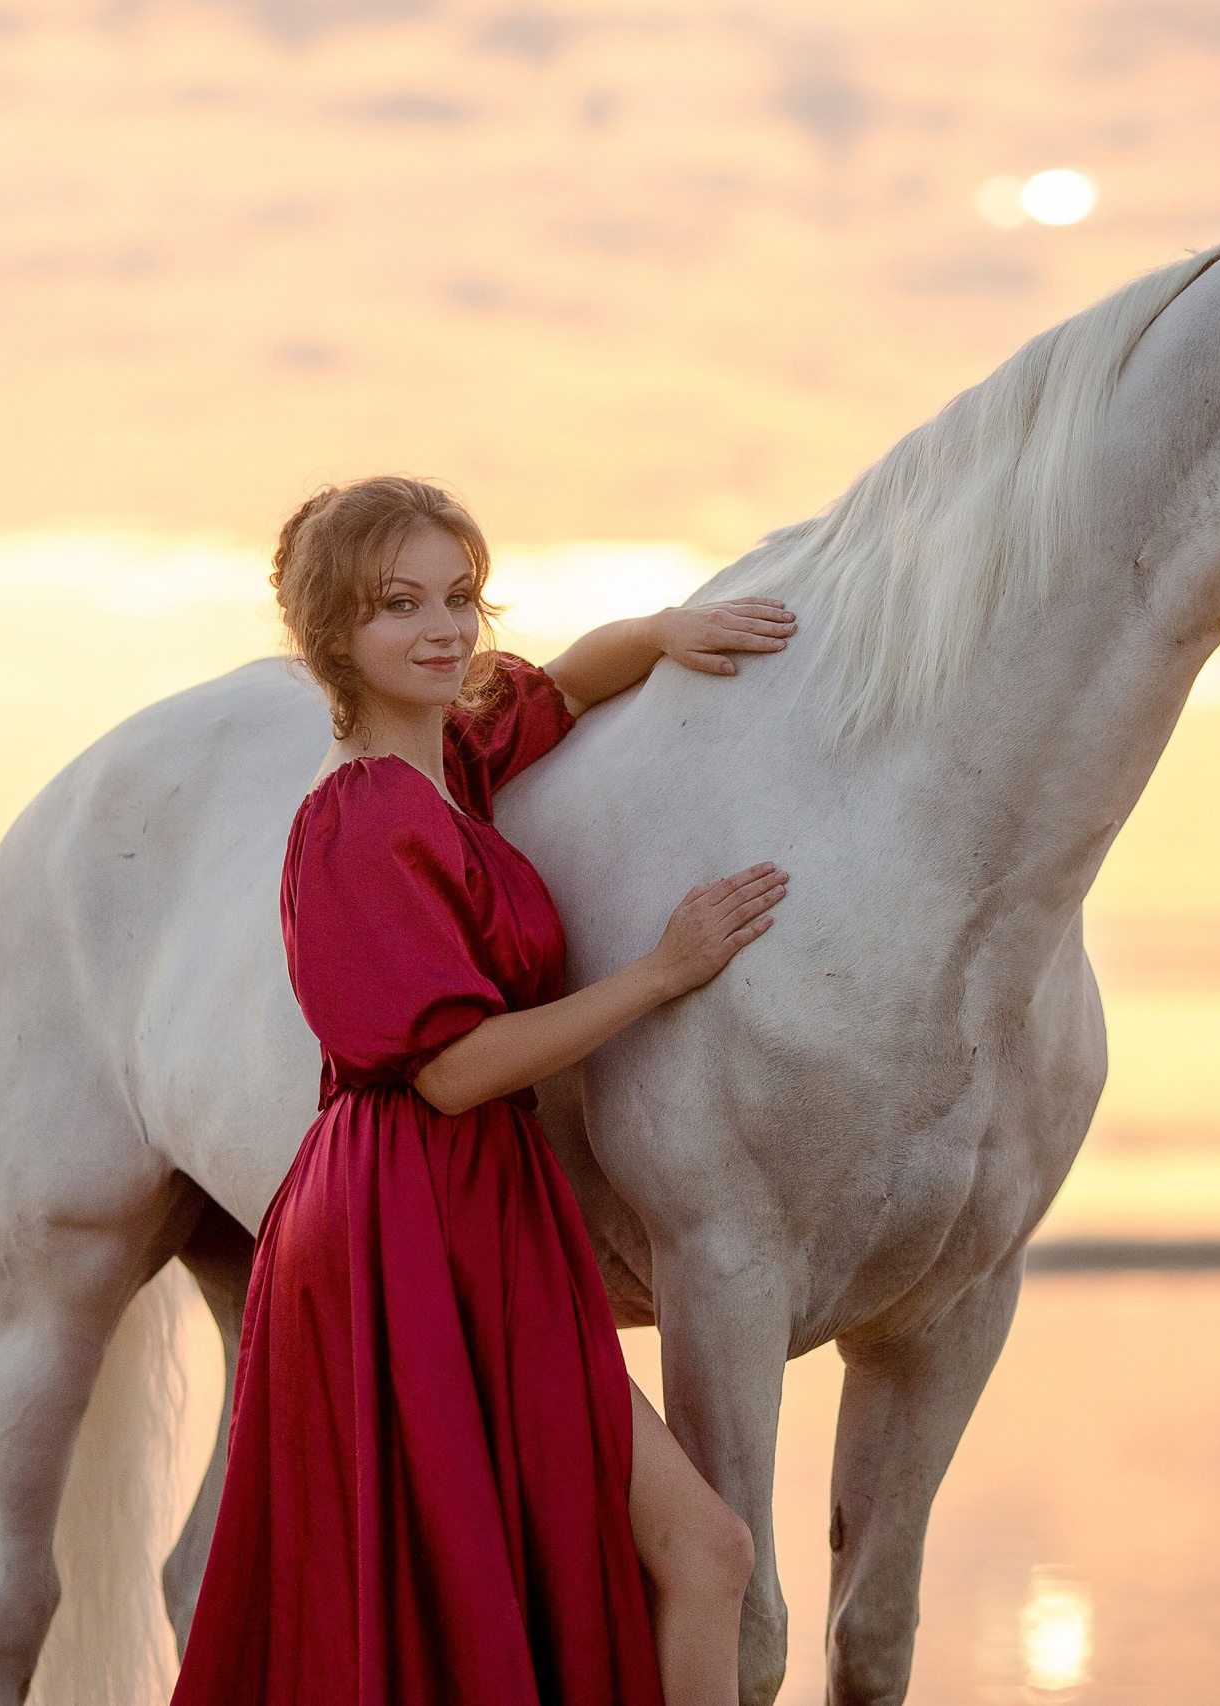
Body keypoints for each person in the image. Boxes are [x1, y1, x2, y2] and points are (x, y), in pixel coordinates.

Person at [170, 475, 795, 1706]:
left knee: (668, 1556)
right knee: (700, 1549)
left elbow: (560, 683)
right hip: (408, 1219)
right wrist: (660, 971)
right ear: (333, 631)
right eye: (398, 604)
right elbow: (452, 1072)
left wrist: (663, 631)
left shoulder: (448, 756)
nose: (443, 628)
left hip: (482, 1204)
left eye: (458, 595)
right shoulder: (358, 821)